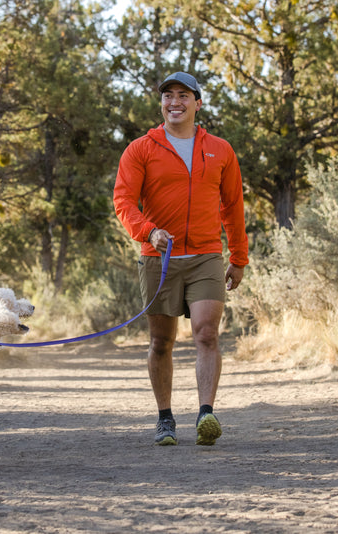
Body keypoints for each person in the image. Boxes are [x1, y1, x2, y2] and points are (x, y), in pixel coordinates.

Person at [113, 72, 248, 446]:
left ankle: (206, 413)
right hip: (159, 257)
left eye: (183, 95)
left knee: (206, 333)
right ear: (162, 104)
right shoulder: (141, 148)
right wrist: (148, 231)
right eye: (168, 96)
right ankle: (165, 418)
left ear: (197, 103)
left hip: (206, 254)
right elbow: (123, 201)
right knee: (161, 342)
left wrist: (239, 257)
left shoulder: (220, 150)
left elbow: (233, 206)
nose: (175, 101)